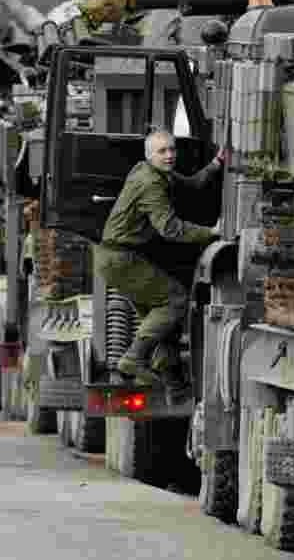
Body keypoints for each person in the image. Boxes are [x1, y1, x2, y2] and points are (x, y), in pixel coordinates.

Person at [94, 128, 228, 404]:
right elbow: (170, 229)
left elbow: (190, 185)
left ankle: (173, 385)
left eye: (171, 149)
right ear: (149, 155)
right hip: (121, 259)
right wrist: (213, 232)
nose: (169, 155)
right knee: (176, 300)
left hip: (118, 257)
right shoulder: (150, 183)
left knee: (161, 323)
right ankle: (132, 359)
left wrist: (216, 164)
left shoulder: (153, 171)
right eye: (162, 151)